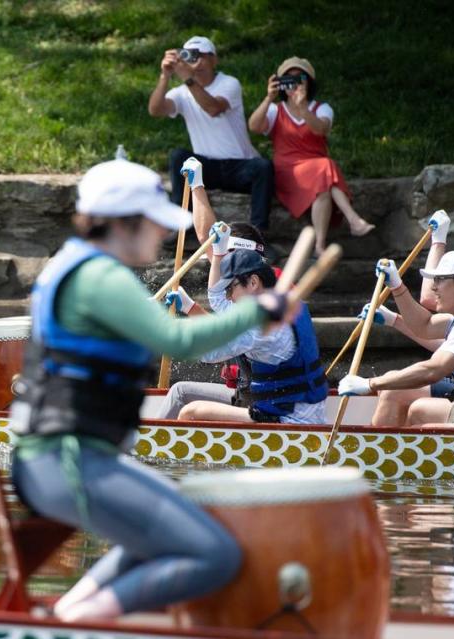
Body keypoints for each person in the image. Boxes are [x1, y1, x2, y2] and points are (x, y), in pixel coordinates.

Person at [10, 158, 298, 621]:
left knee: (170, 536)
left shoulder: (76, 266)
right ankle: (76, 624)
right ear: (124, 223)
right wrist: (258, 311)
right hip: (69, 461)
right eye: (155, 224)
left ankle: (69, 613)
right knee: (218, 555)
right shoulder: (99, 276)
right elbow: (177, 340)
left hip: (66, 458)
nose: (163, 235)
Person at [164, 241, 328, 424]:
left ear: (253, 282)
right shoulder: (288, 303)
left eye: (230, 288)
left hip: (287, 420)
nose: (228, 297)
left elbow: (207, 352)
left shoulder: (256, 326)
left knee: (191, 412)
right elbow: (219, 301)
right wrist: (189, 305)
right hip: (300, 412)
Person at [339, 251, 454, 425]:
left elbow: (433, 370)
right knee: (418, 411)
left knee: (423, 432)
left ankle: (382, 451)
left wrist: (370, 384)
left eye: (440, 280)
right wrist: (396, 287)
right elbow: (424, 326)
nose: (434, 287)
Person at [248, 57, 374, 255]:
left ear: (308, 82)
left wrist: (303, 108)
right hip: (288, 170)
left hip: (317, 170)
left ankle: (319, 245)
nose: (293, 83)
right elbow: (254, 126)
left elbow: (320, 129)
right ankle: (353, 219)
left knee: (323, 182)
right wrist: (269, 97)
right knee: (326, 167)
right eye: (287, 79)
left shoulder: (321, 108)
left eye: (299, 78)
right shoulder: (276, 110)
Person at [148, 35, 273, 233]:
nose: (195, 62)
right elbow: (155, 110)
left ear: (214, 59)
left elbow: (214, 108)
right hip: (208, 168)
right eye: (189, 56)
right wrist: (165, 76)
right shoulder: (182, 91)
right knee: (179, 157)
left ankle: (259, 234)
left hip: (239, 166)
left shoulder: (229, 83)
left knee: (263, 167)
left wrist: (188, 78)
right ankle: (183, 227)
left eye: (201, 56)